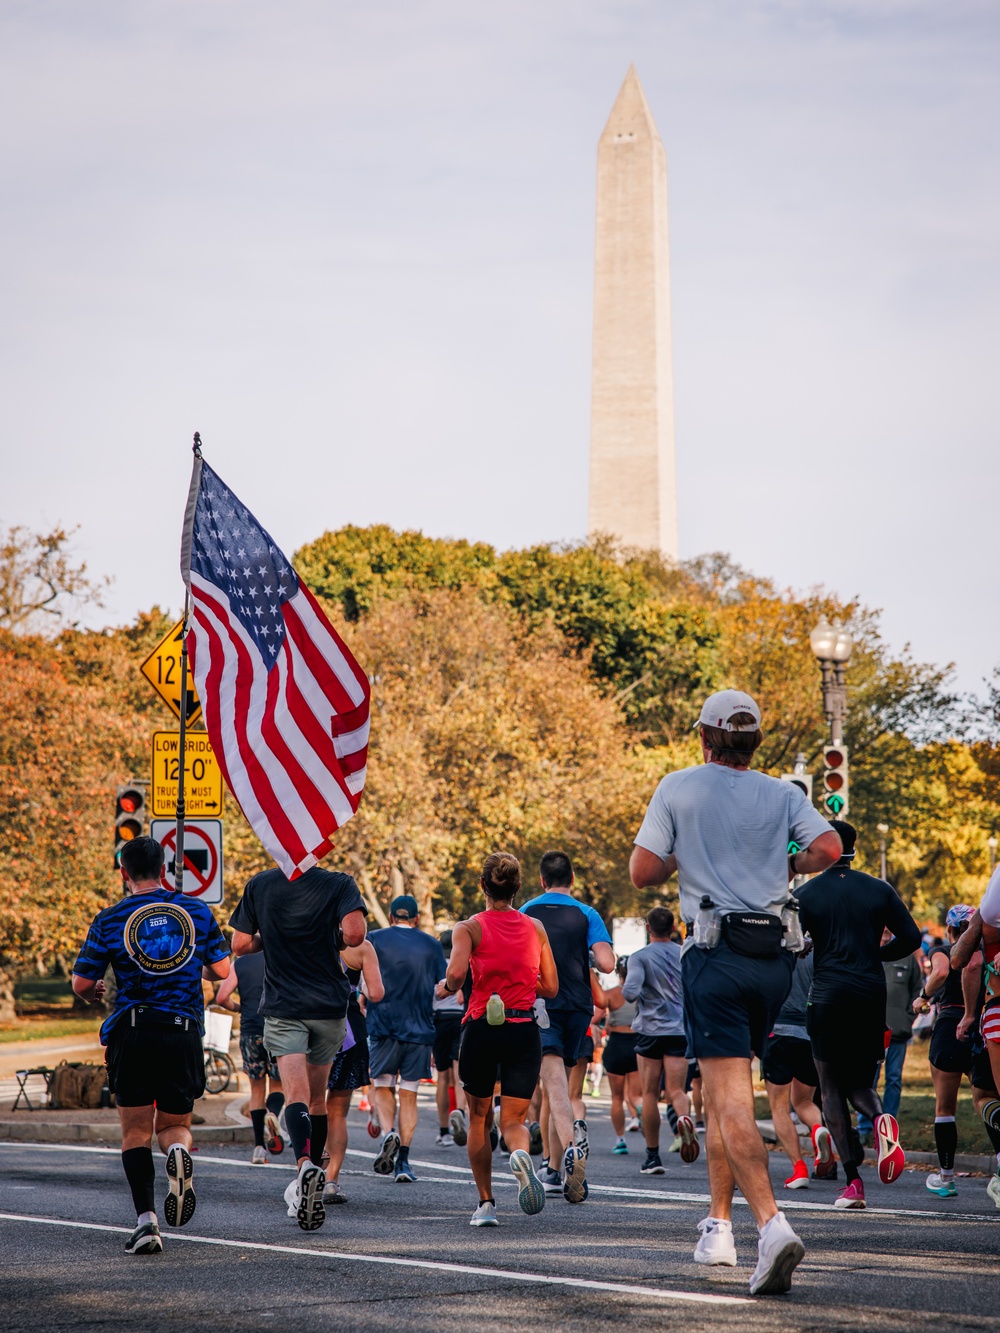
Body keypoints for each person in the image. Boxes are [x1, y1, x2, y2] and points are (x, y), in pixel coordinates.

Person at [630, 689, 840, 1297]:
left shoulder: (679, 786)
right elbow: (829, 848)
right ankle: (718, 1227)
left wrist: (684, 856)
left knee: (725, 1099)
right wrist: (786, 865)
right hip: (772, 958)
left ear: (704, 737)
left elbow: (643, 871)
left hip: (715, 954)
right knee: (730, 1091)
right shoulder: (782, 794)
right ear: (754, 742)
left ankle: (771, 1228)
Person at [71, 836, 231, 1256]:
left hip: (134, 1033)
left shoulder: (110, 919)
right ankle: (178, 1150)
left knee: (136, 1131)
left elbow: (81, 984)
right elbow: (221, 969)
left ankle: (147, 1224)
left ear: (124, 872)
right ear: (164, 866)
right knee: (174, 1124)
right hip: (181, 1032)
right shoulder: (195, 911)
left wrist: (94, 993)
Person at [229, 860, 367, 1231]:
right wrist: (330, 937)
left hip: (285, 1006)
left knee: (296, 1096)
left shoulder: (260, 884)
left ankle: (304, 1165)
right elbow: (355, 936)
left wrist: (269, 938)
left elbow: (240, 944)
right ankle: (318, 1173)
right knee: (319, 1099)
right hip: (328, 1006)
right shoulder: (340, 884)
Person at [797, 820, 921, 1211]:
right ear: (855, 846)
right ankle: (882, 1118)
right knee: (861, 1083)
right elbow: (913, 938)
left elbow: (792, 943)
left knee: (831, 1088)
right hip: (870, 995)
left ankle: (853, 1183)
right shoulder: (879, 889)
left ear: (823, 846)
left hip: (828, 995)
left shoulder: (807, 894)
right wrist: (874, 955)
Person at [438, 852, 559, 1226]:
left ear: (482, 886)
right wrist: (523, 981)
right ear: (518, 886)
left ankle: (486, 1204)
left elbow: (457, 976)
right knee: (514, 1121)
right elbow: (551, 987)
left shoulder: (468, 928)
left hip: (482, 1028)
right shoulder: (535, 927)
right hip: (524, 1028)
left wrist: (447, 985)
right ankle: (521, 1156)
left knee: (478, 1117)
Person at [521, 850, 616, 1204]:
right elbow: (606, 964)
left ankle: (570, 1154)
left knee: (554, 1087)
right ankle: (552, 1166)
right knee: (556, 1085)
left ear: (542, 880)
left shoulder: (526, 912)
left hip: (541, 1003)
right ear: (572, 879)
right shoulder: (587, 913)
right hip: (578, 1006)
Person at [366, 894, 447, 1183]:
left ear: (390, 917)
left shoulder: (373, 938)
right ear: (416, 919)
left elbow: (364, 983)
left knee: (383, 1085)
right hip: (420, 1028)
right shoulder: (432, 944)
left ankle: (389, 1133)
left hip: (382, 1024)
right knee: (409, 1094)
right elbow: (443, 988)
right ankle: (403, 1161)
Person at [621, 907, 698, 1175]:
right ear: (673, 927)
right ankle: (685, 1119)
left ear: (647, 928)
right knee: (677, 1091)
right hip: (679, 1029)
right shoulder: (685, 954)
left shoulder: (639, 957)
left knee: (650, 1094)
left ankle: (652, 1157)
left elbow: (630, 992)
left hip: (650, 1031)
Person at [915, 905, 978, 1197]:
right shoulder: (985, 954)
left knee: (944, 1107)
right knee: (986, 1100)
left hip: (950, 1025)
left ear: (950, 929)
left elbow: (940, 971)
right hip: (982, 1027)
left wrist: (923, 996)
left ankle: (946, 1178)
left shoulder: (941, 949)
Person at [760, 949, 834, 1189]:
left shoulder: (774, 950)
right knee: (804, 1102)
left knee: (779, 1108)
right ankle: (818, 1130)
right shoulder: (816, 952)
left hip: (778, 1032)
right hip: (808, 1034)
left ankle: (799, 1168)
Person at [949, 869, 1000, 1209]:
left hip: (997, 1009)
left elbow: (961, 962)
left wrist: (969, 1013)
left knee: (985, 1094)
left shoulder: (989, 911)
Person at [323, 937, 385, 1205]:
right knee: (337, 1113)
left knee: (307, 1104)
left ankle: (305, 1173)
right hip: (349, 1030)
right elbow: (376, 993)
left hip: (307, 1023)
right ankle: (331, 1181)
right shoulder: (361, 946)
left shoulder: (307, 932)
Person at [215, 951, 285, 1165]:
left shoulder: (240, 963)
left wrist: (239, 1008)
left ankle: (258, 1149)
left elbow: (221, 998)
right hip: (277, 1028)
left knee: (256, 1089)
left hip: (250, 1031)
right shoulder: (281, 957)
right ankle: (272, 1115)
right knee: (277, 1086)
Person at [856, 929, 922, 1140]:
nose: (883, 932)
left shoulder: (906, 956)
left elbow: (917, 990)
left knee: (893, 1079)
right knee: (868, 1080)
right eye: (880, 928)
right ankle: (866, 1125)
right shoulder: (864, 953)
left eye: (886, 928)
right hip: (868, 1031)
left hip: (897, 1030)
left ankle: (888, 1126)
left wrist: (908, 1017)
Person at [590, 959, 641, 1155]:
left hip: (617, 1046)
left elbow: (595, 1017)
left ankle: (620, 1140)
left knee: (616, 1098)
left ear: (618, 973)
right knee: (636, 1095)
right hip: (637, 1044)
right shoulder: (640, 994)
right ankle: (642, 1111)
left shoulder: (611, 994)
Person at [432, 928, 468, 1147]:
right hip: (460, 1018)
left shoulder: (434, 963)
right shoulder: (460, 961)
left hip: (439, 1020)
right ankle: (461, 1113)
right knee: (459, 1073)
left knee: (442, 1076)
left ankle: (444, 1130)